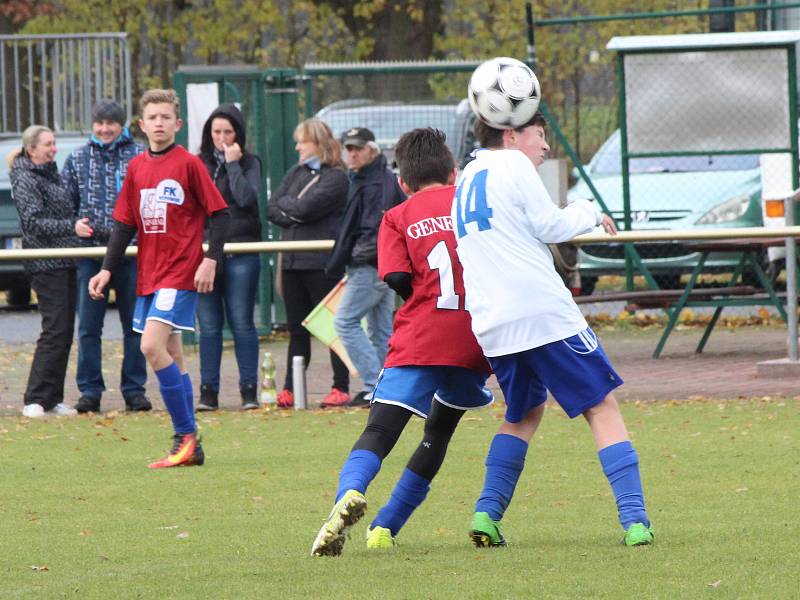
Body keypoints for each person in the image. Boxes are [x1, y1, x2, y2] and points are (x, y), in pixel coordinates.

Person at [452, 113, 654, 547]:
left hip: (494, 322)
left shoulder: (469, 174)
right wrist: (588, 211)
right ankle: (636, 522)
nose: (545, 147)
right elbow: (550, 225)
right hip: (541, 313)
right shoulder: (512, 164)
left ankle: (486, 515)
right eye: (539, 135)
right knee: (601, 407)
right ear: (511, 133)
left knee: (523, 414)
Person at [311, 128, 493, 556]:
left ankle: (349, 494)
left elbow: (394, 277)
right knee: (438, 433)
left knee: (380, 428)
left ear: (402, 182)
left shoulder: (397, 215)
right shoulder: (471, 207)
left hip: (422, 337)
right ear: (453, 173)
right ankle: (385, 527)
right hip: (473, 339)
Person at [88, 89, 230, 468]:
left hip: (179, 272)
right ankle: (191, 445)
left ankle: (184, 435)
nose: (159, 123)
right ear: (141, 124)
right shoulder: (136, 168)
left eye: (166, 117)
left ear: (178, 124)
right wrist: (106, 268)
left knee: (150, 346)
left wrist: (210, 260)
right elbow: (123, 224)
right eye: (153, 117)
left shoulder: (189, 164)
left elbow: (220, 214)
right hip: (150, 274)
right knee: (174, 356)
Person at [61, 99, 150, 414]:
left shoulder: (140, 155)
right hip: (91, 255)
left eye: (110, 124)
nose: (104, 129)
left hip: (132, 252)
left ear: (121, 125)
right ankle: (89, 390)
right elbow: (65, 203)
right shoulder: (78, 158)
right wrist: (74, 225)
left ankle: (134, 389)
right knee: (88, 326)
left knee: (134, 325)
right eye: (99, 124)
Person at [267, 118, 351, 409]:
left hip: (320, 262)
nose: (297, 146)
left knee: (330, 328)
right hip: (291, 262)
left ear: (317, 143)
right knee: (296, 329)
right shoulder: (296, 172)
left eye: (302, 141)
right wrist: (295, 212)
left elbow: (305, 207)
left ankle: (341, 387)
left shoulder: (337, 177)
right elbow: (272, 207)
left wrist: (293, 210)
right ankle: (291, 388)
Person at [326, 127, 405, 407]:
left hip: (369, 266)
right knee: (381, 330)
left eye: (358, 148)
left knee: (345, 322)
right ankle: (390, 389)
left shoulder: (374, 182)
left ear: (372, 149)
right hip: (379, 265)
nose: (352, 153)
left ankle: (376, 385)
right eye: (348, 148)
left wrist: (356, 257)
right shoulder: (371, 178)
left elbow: (373, 230)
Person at [9, 125, 81, 418]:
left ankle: (53, 397)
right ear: (32, 149)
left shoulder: (51, 173)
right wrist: (72, 228)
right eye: (48, 144)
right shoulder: (25, 178)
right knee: (54, 330)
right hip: (45, 263)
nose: (54, 148)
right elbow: (34, 222)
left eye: (54, 143)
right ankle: (35, 397)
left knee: (64, 331)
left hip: (65, 261)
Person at [195, 104, 262, 411]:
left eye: (228, 132)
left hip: (241, 251)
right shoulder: (199, 163)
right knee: (208, 326)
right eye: (216, 132)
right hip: (206, 254)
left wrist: (233, 165)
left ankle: (249, 391)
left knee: (242, 322)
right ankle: (208, 392)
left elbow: (247, 199)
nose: (221, 138)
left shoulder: (249, 163)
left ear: (238, 134)